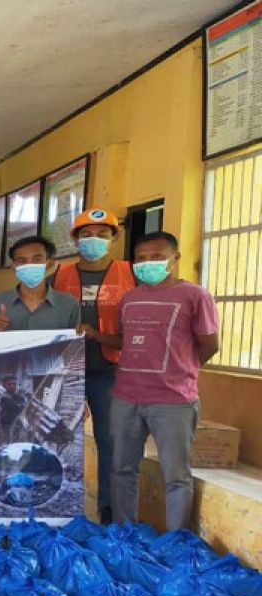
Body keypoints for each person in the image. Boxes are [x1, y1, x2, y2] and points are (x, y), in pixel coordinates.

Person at [109, 231, 219, 532]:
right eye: (141, 259)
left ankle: (175, 541)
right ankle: (124, 534)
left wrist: (181, 371)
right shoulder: (129, 298)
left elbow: (209, 344)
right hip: (126, 397)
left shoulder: (195, 296)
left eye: (156, 257)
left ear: (175, 258)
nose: (148, 263)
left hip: (173, 401)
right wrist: (95, 336)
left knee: (177, 476)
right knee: (122, 469)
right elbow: (124, 341)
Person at [52, 207, 134, 523]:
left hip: (111, 371)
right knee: (55, 438)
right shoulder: (59, 276)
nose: (93, 240)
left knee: (111, 443)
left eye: (102, 234)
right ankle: (54, 512)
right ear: (75, 239)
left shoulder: (132, 274)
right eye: (86, 234)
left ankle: (109, 514)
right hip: (65, 372)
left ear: (114, 238)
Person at [0, 236, 80, 332]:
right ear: (13, 267)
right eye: (22, 261)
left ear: (49, 263)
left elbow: (75, 344)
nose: (30, 265)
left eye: (37, 259)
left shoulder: (69, 304)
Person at [0, 374, 28, 443]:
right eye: (9, 384)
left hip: (19, 424)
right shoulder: (4, 397)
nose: (12, 386)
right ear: (4, 386)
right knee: (12, 445)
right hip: (8, 426)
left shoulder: (17, 396)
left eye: (14, 384)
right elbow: (17, 406)